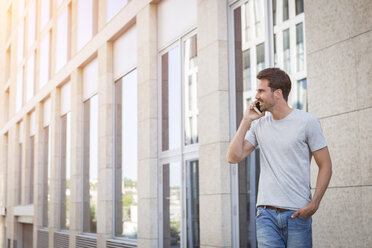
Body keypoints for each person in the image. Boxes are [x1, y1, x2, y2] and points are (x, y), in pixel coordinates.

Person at [227, 68, 332, 248]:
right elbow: (233, 157)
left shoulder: (307, 122)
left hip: (297, 213)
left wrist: (314, 203)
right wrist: (246, 121)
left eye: (261, 90)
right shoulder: (259, 125)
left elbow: (326, 165)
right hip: (266, 215)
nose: (256, 95)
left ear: (277, 93)